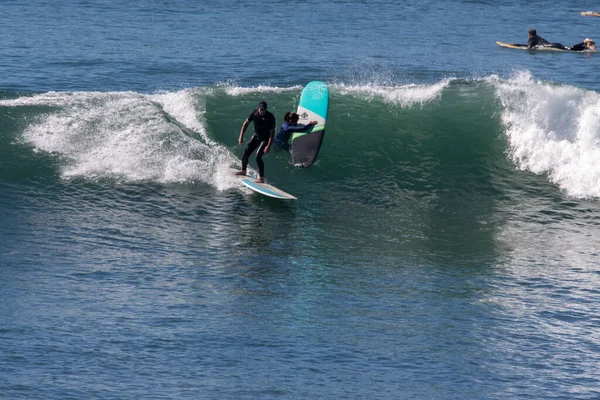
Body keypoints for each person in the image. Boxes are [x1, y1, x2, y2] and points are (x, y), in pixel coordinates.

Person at [236, 100, 276, 183]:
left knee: (258, 156)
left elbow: (272, 133)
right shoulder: (254, 113)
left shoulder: (270, 117)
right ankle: (243, 170)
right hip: (256, 136)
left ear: (266, 109)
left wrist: (268, 145)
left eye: (264, 109)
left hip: (265, 139)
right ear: (258, 108)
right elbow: (245, 124)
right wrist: (241, 136)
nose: (262, 111)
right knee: (246, 152)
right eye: (261, 109)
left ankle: (261, 178)